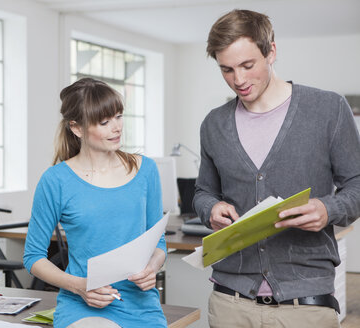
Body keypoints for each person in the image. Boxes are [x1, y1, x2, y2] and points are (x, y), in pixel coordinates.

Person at [193, 9, 360, 328]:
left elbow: (357, 184)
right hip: (230, 303)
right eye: (226, 69)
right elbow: (203, 191)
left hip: (306, 306)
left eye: (247, 65)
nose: (238, 80)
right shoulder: (214, 124)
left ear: (271, 51)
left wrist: (328, 208)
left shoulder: (328, 109)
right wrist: (211, 208)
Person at [23, 77, 168, 328]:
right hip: (82, 304)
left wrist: (152, 267)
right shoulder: (56, 181)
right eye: (104, 122)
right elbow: (33, 257)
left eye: (119, 116)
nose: (117, 128)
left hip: (141, 305)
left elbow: (158, 242)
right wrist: (80, 286)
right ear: (77, 128)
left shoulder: (146, 170)